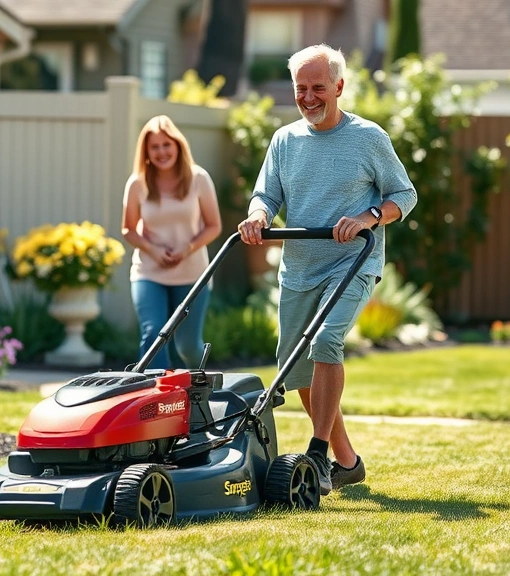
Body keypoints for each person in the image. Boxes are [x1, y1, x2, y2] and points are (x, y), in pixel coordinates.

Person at [237, 44, 417, 495]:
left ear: (339, 86)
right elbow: (266, 195)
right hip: (300, 266)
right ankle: (348, 462)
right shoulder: (285, 140)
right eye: (302, 88)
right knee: (298, 367)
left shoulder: (368, 137)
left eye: (319, 87)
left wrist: (369, 217)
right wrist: (259, 216)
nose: (310, 96)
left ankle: (317, 454)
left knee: (325, 341)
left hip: (352, 260)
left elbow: (405, 195)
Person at [122, 115, 222, 369]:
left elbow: (214, 226)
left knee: (187, 346)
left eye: (166, 145)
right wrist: (154, 251)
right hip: (149, 272)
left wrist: (187, 248)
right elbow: (128, 230)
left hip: (192, 274)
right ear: (146, 152)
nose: (161, 152)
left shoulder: (199, 178)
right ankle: (157, 398)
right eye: (154, 147)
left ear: (178, 145)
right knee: (154, 333)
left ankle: (203, 391)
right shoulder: (137, 184)